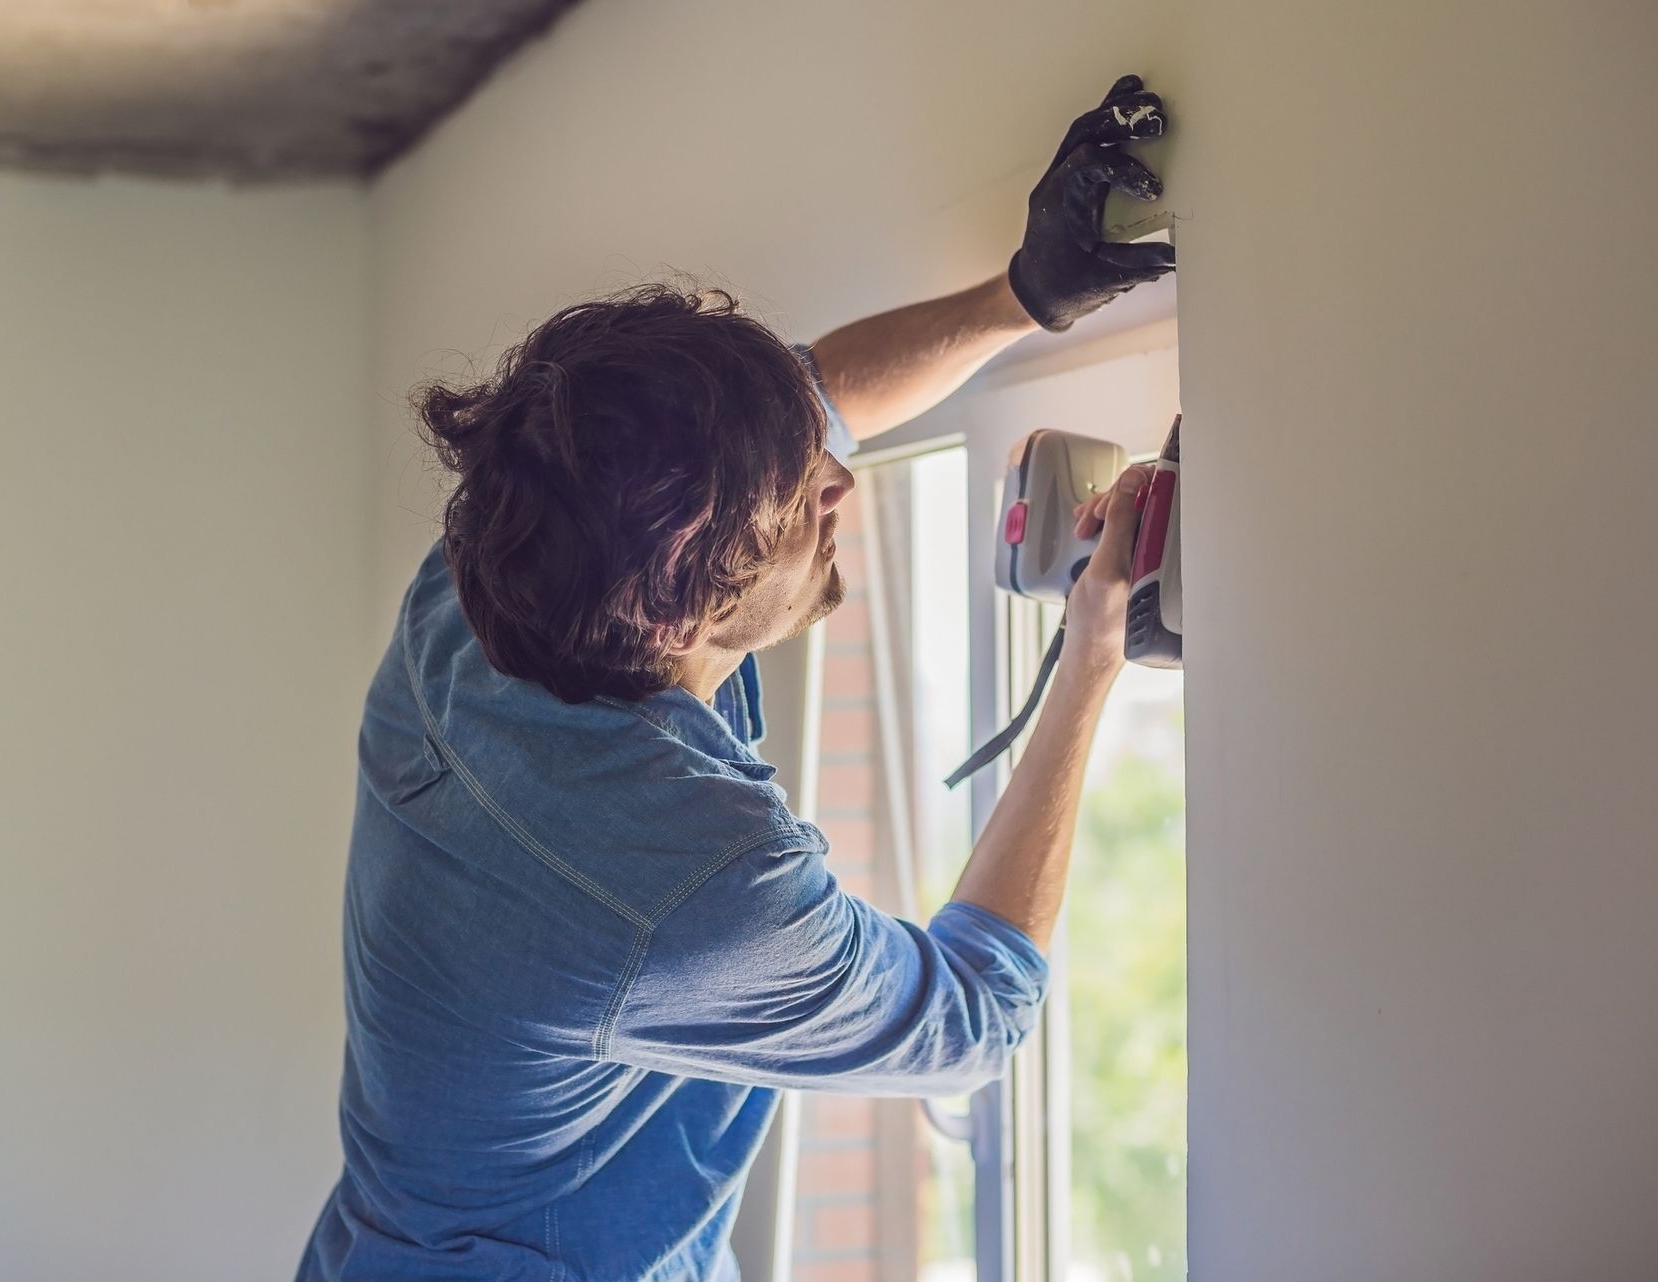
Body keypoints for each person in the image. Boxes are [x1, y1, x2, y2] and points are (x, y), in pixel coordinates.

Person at [298, 76, 1174, 1282]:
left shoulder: (489, 575)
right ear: (674, 602)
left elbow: (817, 396)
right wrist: (1087, 659)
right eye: (800, 499)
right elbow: (975, 1013)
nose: (841, 489)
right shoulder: (687, 878)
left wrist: (1024, 296)